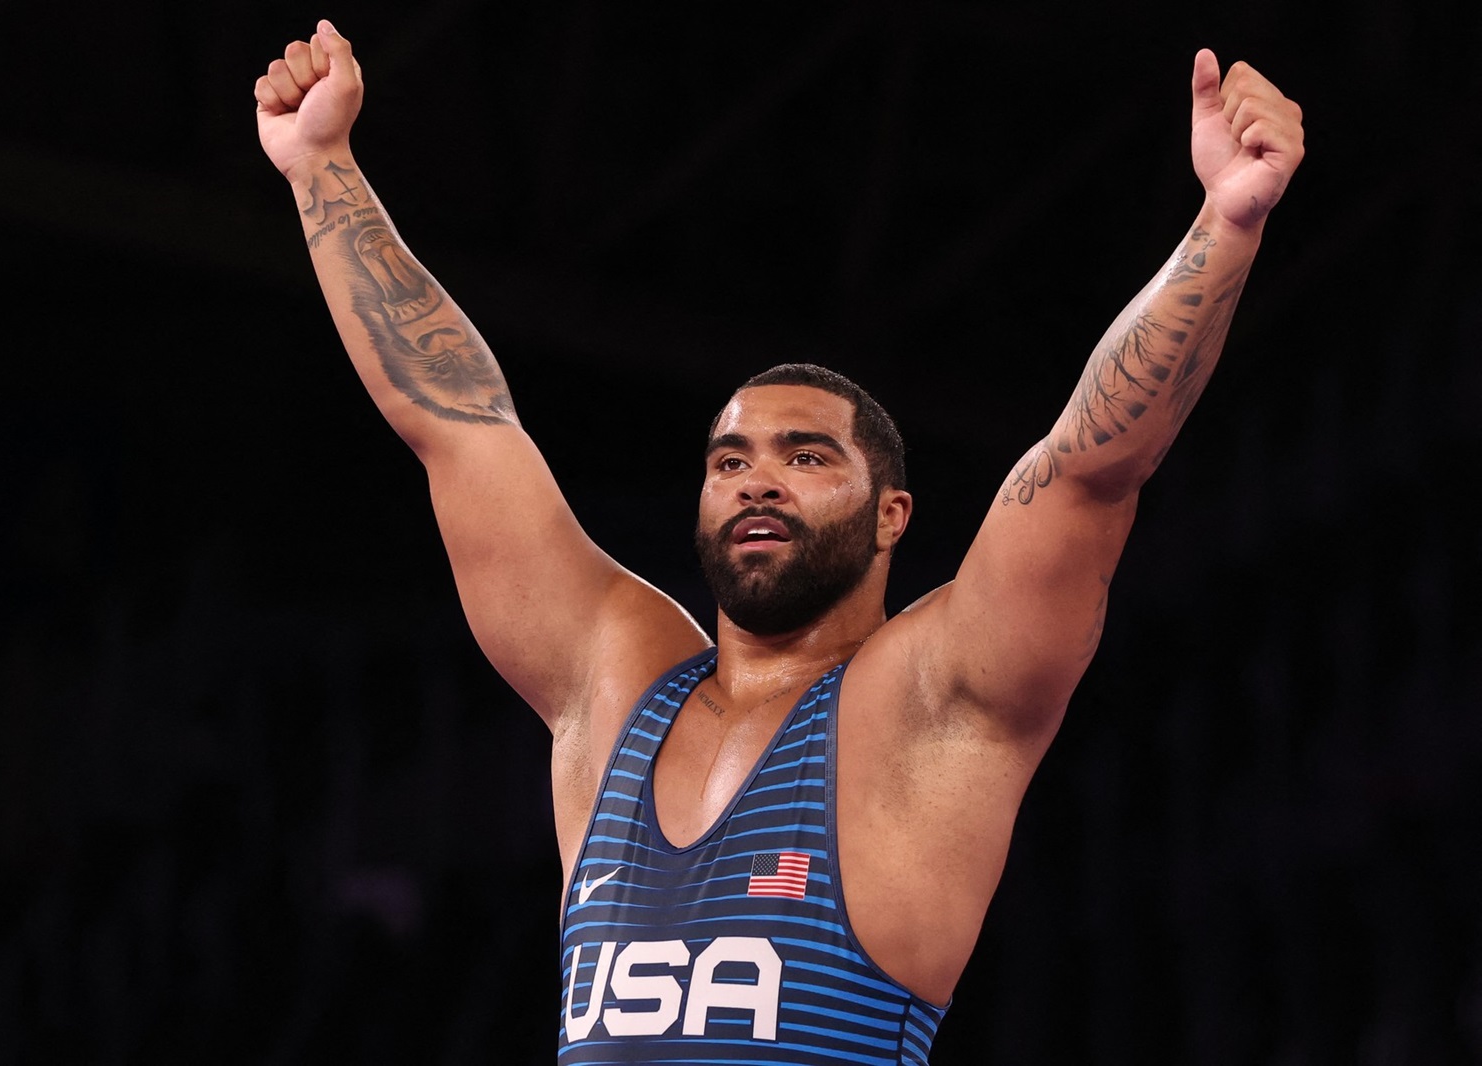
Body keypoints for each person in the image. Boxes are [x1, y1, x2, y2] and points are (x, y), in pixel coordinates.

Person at [255, 20, 1304, 1063]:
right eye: (729, 459)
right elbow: (457, 421)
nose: (756, 475)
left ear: (892, 512)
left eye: (806, 456)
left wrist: (1225, 222)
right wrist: (319, 168)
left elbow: (1086, 468)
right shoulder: (614, 679)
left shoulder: (929, 701)